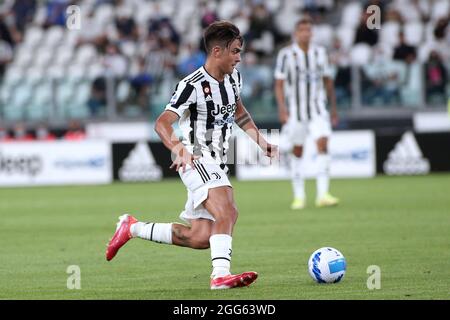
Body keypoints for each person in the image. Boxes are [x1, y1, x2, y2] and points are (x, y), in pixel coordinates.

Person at [106, 21, 278, 290]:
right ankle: (220, 275)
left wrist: (261, 141)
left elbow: (239, 112)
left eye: (240, 51)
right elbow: (162, 123)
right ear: (217, 51)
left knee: (200, 237)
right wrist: (179, 149)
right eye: (235, 51)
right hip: (196, 157)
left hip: (218, 161)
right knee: (228, 210)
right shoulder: (191, 85)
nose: (239, 57)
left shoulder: (235, 78)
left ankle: (132, 227)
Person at [274, 17, 339, 210]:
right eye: (302, 30)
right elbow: (279, 84)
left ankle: (323, 194)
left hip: (318, 108)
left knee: (323, 142)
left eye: (308, 30)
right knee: (298, 151)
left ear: (312, 33)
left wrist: (333, 108)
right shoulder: (286, 54)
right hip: (296, 110)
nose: (305, 33)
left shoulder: (320, 53)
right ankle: (299, 196)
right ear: (296, 33)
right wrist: (282, 108)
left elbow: (328, 81)